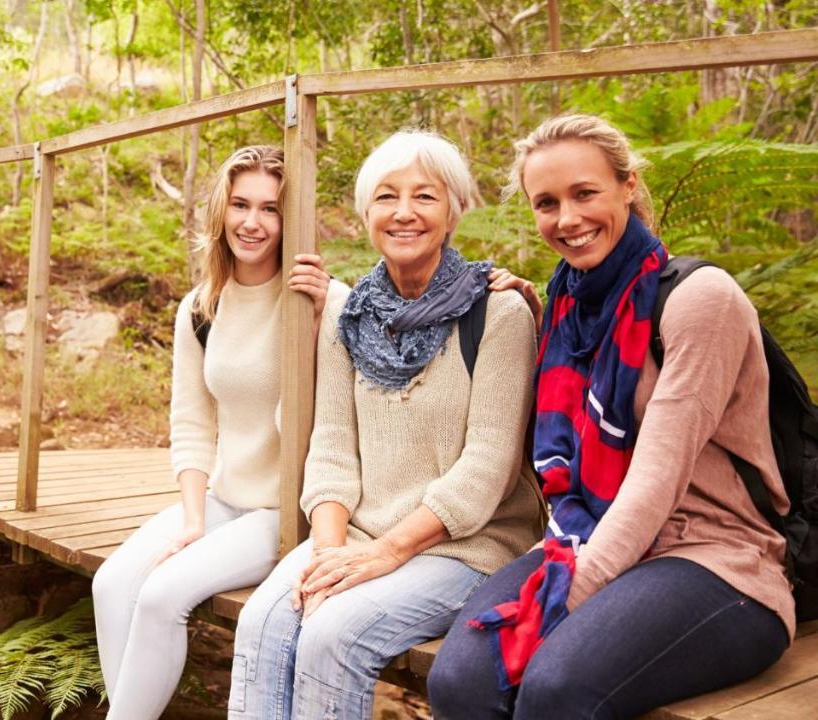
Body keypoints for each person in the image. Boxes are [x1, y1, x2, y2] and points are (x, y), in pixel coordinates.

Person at [427, 114, 794, 719]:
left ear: (628, 186)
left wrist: (566, 600)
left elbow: (657, 480)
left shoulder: (701, 301)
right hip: (582, 536)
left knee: (555, 689)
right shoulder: (568, 307)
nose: (567, 219)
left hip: (714, 560)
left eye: (585, 193)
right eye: (547, 203)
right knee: (459, 681)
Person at [227, 130, 543, 719]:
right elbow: (331, 448)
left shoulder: (498, 311)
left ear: (454, 210)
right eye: (386, 196)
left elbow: (487, 469)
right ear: (366, 212)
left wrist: (386, 555)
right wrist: (326, 555)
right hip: (356, 536)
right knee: (264, 621)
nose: (404, 212)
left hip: (467, 547)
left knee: (332, 637)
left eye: (425, 197)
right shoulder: (349, 313)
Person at [91, 145, 340, 720]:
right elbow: (192, 422)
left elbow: (331, 419)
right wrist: (193, 518)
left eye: (271, 209)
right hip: (225, 499)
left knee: (161, 596)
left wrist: (322, 321)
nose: (252, 222)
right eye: (240, 204)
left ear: (290, 218)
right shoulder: (201, 309)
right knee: (112, 584)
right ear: (220, 211)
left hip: (288, 511)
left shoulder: (322, 301)